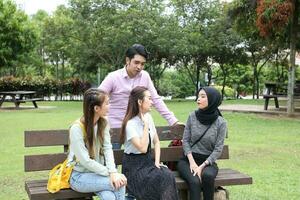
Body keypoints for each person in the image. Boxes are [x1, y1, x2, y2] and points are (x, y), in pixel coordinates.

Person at [98, 44, 179, 130]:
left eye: (142, 64)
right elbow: (96, 98)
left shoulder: (145, 76)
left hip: (137, 128)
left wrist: (173, 121)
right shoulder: (113, 77)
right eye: (136, 62)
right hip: (115, 128)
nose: (139, 67)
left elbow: (156, 99)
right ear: (127, 60)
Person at [120, 86, 179, 200]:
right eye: (149, 98)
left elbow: (156, 142)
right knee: (159, 179)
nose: (152, 102)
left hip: (148, 162)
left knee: (167, 175)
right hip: (133, 168)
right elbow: (142, 148)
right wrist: (146, 125)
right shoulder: (130, 124)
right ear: (140, 102)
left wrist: (157, 162)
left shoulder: (148, 117)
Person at [68, 88, 127, 200]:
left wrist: (113, 171)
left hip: (99, 175)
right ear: (96, 108)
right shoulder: (76, 129)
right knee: (120, 182)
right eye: (107, 103)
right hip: (79, 177)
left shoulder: (103, 123)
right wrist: (111, 173)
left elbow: (108, 148)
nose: (109, 106)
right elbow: (85, 161)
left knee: (109, 197)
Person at [177, 87, 227, 200]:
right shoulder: (192, 116)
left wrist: (202, 166)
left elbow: (218, 149)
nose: (198, 99)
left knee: (207, 176)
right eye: (198, 96)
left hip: (207, 162)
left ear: (212, 100)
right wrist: (193, 163)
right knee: (195, 181)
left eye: (203, 96)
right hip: (188, 160)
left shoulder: (221, 123)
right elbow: (185, 141)